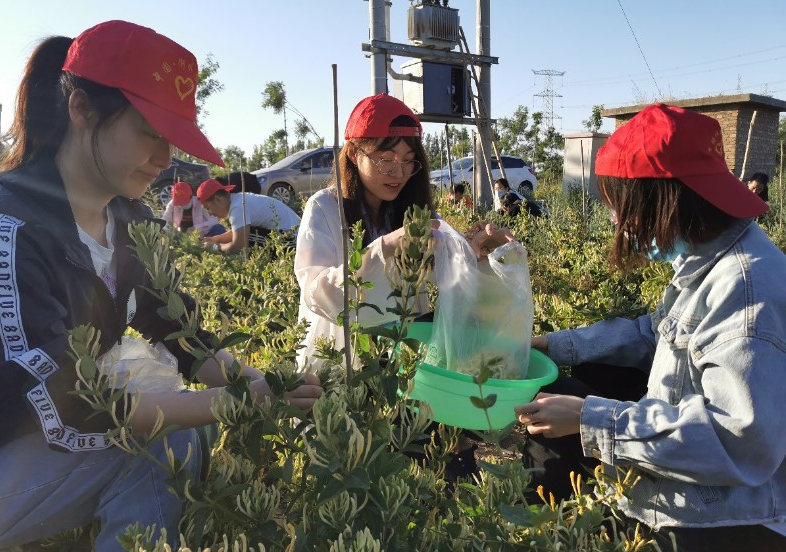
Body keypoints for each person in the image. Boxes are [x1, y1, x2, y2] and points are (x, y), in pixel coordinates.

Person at [0, 20, 322, 552]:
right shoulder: (13, 227)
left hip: (38, 449)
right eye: (150, 132)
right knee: (164, 440)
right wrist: (236, 401)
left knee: (180, 432)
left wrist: (271, 385)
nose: (165, 158)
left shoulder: (128, 222)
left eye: (171, 139)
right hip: (17, 441)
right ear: (81, 109)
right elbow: (67, 403)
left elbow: (181, 335)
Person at [515, 104, 786, 551]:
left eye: (622, 209)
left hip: (725, 519)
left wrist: (590, 419)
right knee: (565, 385)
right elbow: (653, 335)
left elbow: (737, 439)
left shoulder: (744, 290)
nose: (618, 224)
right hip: (701, 497)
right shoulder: (708, 258)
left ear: (666, 200)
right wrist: (552, 345)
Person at [197, 178, 300, 253]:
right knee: (247, 234)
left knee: (249, 237)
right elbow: (239, 231)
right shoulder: (237, 200)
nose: (209, 213)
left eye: (208, 208)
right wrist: (215, 239)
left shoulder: (238, 207)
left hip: (293, 241)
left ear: (217, 199)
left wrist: (215, 247)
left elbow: (239, 247)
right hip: (293, 237)